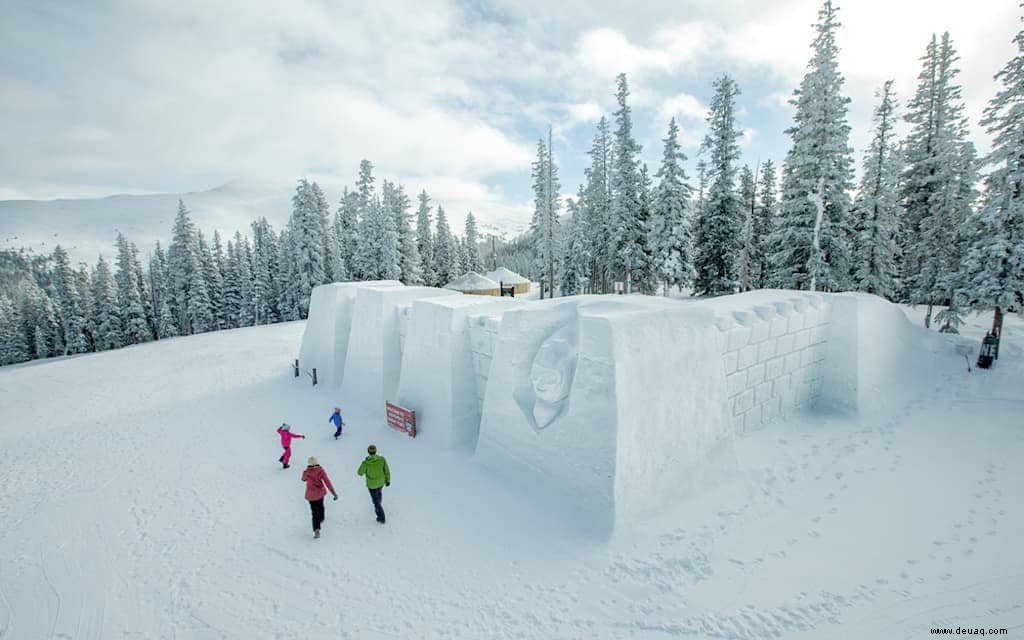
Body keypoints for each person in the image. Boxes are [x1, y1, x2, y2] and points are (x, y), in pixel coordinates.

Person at [301, 456, 337, 539]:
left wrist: (305, 472)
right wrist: (333, 493)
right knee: (321, 505)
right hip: (320, 493)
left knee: (314, 512)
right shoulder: (320, 470)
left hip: (311, 495)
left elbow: (303, 479)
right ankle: (321, 518)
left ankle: (316, 529)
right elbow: (327, 482)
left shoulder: (307, 472)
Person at [357, 444, 390, 524]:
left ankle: (381, 518)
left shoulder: (366, 463)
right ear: (376, 451)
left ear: (368, 452)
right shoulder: (382, 459)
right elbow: (387, 470)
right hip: (381, 482)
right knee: (379, 493)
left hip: (372, 484)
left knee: (375, 501)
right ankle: (379, 503)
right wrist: (387, 480)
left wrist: (364, 463)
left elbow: (359, 473)